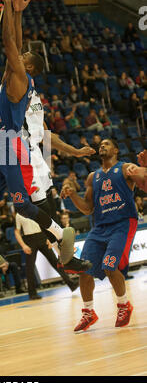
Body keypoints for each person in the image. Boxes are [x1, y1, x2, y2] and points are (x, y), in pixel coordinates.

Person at [0, 0, 92, 280]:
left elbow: (10, 42)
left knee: (23, 205)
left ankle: (59, 232)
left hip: (13, 145)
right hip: (0, 145)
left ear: (28, 68)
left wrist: (4, 7)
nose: (18, 55)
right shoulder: (14, 76)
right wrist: (16, 12)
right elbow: (17, 42)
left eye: (23, 58)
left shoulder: (20, 79)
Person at [61, 139, 146, 332]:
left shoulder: (125, 168)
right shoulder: (93, 177)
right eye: (100, 145)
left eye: (107, 144)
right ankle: (88, 312)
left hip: (122, 224)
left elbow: (144, 175)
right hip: (99, 227)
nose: (102, 146)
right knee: (84, 269)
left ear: (116, 149)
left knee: (109, 265)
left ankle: (124, 304)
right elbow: (88, 208)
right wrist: (73, 195)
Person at [15, 213, 79, 300]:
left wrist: (49, 238)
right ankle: (32, 293)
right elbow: (17, 232)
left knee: (55, 262)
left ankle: (71, 284)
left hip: (43, 237)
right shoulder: (18, 215)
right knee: (29, 267)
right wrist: (23, 245)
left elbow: (46, 224)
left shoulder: (35, 209)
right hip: (29, 240)